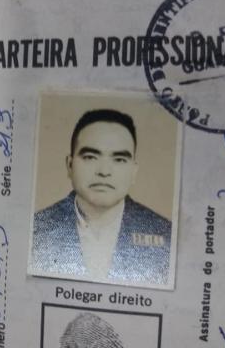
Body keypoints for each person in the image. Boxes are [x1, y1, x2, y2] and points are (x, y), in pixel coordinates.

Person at [31, 109, 171, 285]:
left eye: (119, 159)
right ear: (70, 165)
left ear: (133, 172)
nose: (104, 171)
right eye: (90, 157)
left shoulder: (166, 234)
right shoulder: (36, 230)